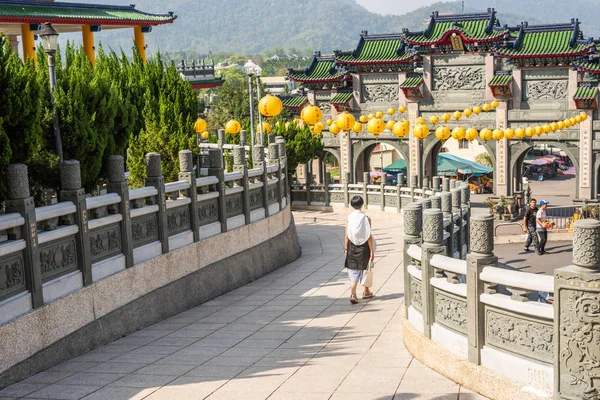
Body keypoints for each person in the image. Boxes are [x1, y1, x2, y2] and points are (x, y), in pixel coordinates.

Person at [345, 196, 375, 304]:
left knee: (353, 269)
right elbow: (368, 236)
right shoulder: (366, 218)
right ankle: (366, 291)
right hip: (364, 247)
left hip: (351, 246)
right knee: (365, 269)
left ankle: (353, 292)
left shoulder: (349, 217)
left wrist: (346, 248)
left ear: (351, 205)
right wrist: (372, 251)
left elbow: (347, 235)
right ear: (362, 205)